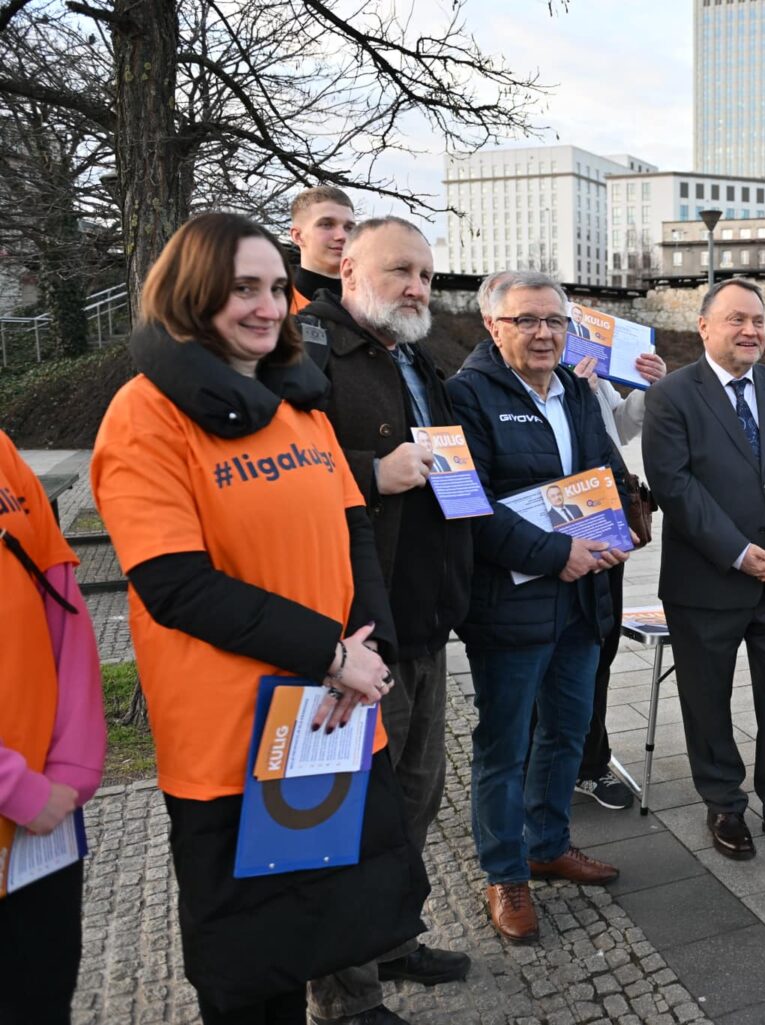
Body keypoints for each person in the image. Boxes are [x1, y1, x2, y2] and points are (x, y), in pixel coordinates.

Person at [91, 212, 426, 1024]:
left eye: (277, 286)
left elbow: (352, 528)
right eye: (243, 288)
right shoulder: (145, 415)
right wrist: (328, 654)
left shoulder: (296, 403)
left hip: (328, 719)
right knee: (252, 967)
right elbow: (177, 584)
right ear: (191, 293)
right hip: (233, 740)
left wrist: (368, 650)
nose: (269, 306)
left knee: (328, 923)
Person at [296, 216, 474, 1024]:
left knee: (414, 799)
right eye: (400, 270)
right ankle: (347, 995)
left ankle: (392, 935)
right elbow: (282, 479)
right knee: (355, 816)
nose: (416, 287)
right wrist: (371, 472)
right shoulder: (309, 351)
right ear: (348, 268)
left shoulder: (413, 355)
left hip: (426, 621)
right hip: (361, 634)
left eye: (426, 275)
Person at [446, 270, 628, 944]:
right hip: (510, 604)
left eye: (555, 320)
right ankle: (505, 872)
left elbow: (604, 469)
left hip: (581, 599)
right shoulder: (465, 395)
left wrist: (619, 522)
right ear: (493, 326)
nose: (544, 332)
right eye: (526, 320)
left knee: (566, 732)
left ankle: (548, 844)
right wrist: (558, 553)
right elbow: (466, 503)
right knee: (505, 744)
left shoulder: (577, 390)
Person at [641, 279, 765, 861]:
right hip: (707, 581)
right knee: (707, 700)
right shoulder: (671, 396)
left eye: (758, 320)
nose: (751, 331)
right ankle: (724, 803)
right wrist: (736, 551)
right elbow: (674, 485)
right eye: (736, 320)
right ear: (704, 326)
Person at [0, 429, 105, 1025]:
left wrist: (72, 764)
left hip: (44, 821)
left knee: (43, 994)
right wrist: (15, 786)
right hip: (26, 798)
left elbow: (63, 605)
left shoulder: (3, 455)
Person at [564, 336, 667, 812]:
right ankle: (544, 767)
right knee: (552, 661)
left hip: (606, 526)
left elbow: (621, 426)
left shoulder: (589, 367)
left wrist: (647, 387)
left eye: (558, 321)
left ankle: (590, 763)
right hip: (556, 535)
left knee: (600, 651)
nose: (548, 332)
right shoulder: (497, 383)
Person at [288, 186, 356, 312]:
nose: (342, 236)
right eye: (327, 225)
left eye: (349, 228)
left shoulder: (373, 306)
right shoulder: (276, 304)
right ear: (298, 236)